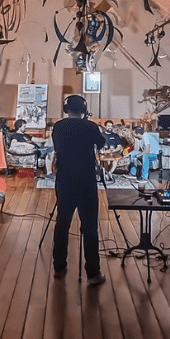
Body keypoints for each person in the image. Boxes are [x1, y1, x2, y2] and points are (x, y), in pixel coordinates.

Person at [51, 94, 106, 286]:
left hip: (65, 180)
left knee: (62, 223)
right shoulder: (90, 127)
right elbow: (102, 144)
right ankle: (93, 273)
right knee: (90, 227)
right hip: (86, 182)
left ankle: (59, 267)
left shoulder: (58, 127)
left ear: (66, 109)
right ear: (84, 109)